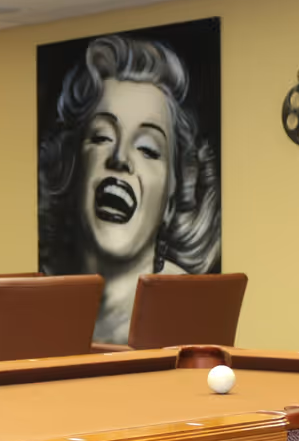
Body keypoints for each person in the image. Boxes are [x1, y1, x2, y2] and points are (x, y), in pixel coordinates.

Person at [38, 33, 220, 342]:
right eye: (101, 137)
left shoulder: (188, 309)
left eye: (148, 149)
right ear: (72, 168)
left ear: (174, 198)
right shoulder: (37, 308)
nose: (120, 159)